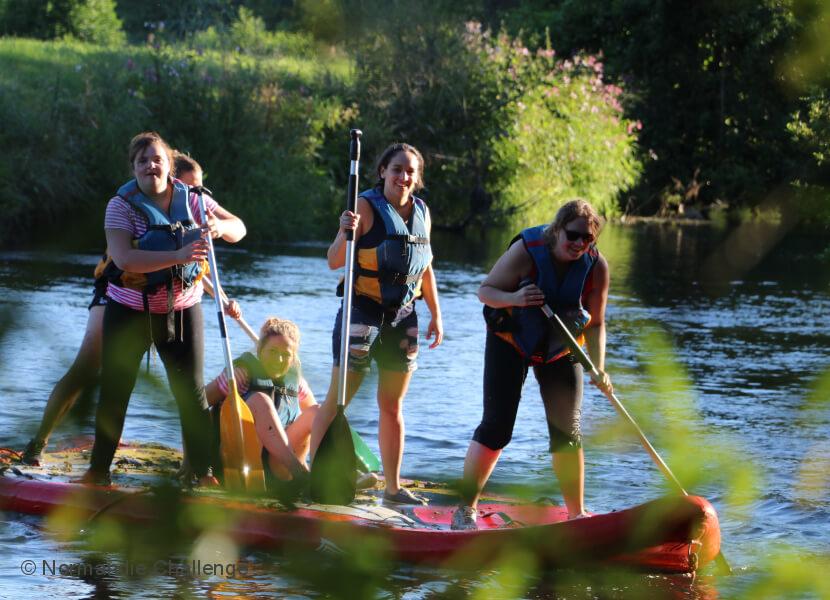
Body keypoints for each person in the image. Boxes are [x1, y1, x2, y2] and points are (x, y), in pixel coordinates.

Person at [20, 150, 239, 467]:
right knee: (87, 367)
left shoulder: (191, 202)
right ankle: (38, 441)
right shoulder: (131, 207)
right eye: (190, 186)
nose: (194, 195)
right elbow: (138, 259)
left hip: (170, 299)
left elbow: (194, 266)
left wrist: (221, 295)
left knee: (188, 388)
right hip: (120, 293)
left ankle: (194, 468)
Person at [79, 131, 246, 486]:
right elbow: (124, 258)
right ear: (133, 168)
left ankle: (204, 474)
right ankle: (97, 474)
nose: (150, 166)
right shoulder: (120, 206)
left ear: (170, 166)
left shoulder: (194, 199)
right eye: (142, 161)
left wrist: (219, 226)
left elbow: (240, 228)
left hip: (183, 310)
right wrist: (179, 255)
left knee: (192, 394)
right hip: (129, 311)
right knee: (115, 391)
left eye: (157, 159)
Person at [451, 199, 613, 530]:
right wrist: (515, 299)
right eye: (573, 235)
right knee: (497, 428)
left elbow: (596, 324)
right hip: (511, 341)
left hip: (559, 349)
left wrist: (598, 366)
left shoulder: (596, 267)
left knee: (568, 432)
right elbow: (485, 291)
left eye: (588, 240)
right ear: (557, 229)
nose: (580, 244)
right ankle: (464, 510)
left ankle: (577, 515)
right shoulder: (527, 250)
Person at [309, 142, 443, 505]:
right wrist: (343, 231)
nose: (403, 177)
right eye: (396, 169)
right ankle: (312, 474)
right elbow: (334, 261)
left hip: (404, 317)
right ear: (382, 171)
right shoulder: (363, 207)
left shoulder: (423, 212)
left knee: (392, 405)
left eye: (410, 172)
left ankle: (393, 488)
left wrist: (436, 313)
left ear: (417, 179)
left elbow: (425, 265)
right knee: (338, 400)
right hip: (362, 312)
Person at [205, 317, 319, 484]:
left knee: (317, 411)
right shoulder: (240, 374)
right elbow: (194, 405)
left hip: (278, 469)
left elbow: (321, 420)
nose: (278, 359)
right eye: (272, 351)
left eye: (286, 354)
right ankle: (301, 475)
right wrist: (198, 466)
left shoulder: (297, 383)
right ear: (259, 350)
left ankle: (323, 475)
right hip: (240, 464)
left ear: (293, 358)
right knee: (260, 400)